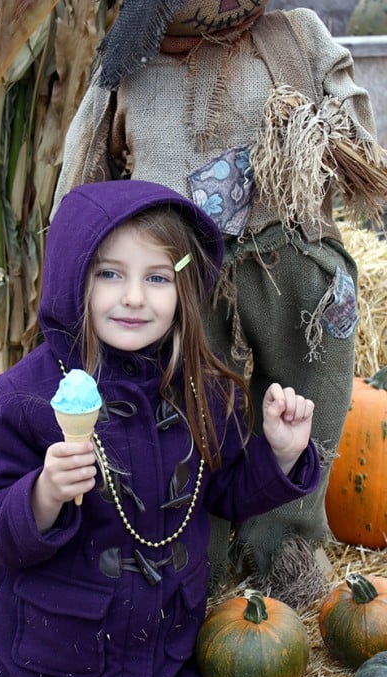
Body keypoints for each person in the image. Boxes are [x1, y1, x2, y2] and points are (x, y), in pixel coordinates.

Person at [0, 179, 320, 677]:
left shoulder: (203, 388)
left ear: (185, 287)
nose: (133, 298)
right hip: (40, 668)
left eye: (157, 277)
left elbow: (220, 492)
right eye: (109, 274)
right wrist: (42, 495)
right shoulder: (24, 398)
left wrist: (278, 455)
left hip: (151, 662)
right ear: (74, 277)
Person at [52, 0, 387, 606]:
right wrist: (74, 258)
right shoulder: (130, 57)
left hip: (293, 256)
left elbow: (356, 132)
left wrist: (317, 134)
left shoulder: (297, 35)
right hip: (179, 271)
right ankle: (194, 558)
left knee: (309, 399)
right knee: (189, 406)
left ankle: (282, 555)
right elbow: (85, 165)